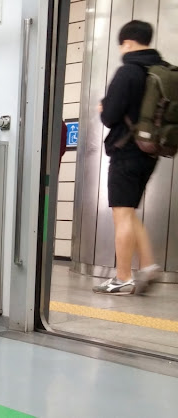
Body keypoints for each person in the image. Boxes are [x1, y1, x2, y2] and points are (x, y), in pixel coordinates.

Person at [92, 21, 165, 295]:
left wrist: (103, 107)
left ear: (128, 42)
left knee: (121, 214)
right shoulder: (160, 70)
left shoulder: (129, 72)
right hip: (151, 151)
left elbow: (110, 116)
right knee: (129, 211)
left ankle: (122, 277)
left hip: (126, 151)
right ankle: (148, 266)